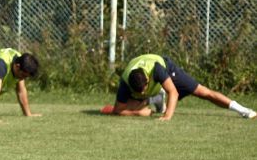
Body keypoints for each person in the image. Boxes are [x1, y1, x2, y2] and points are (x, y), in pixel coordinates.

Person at [101, 54, 256, 121]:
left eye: (144, 90)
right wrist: (140, 113)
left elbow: (173, 92)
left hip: (168, 69)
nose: (141, 93)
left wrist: (167, 116)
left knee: (203, 92)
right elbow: (118, 110)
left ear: (148, 80)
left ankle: (242, 110)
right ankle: (155, 98)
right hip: (148, 86)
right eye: (138, 92)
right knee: (130, 107)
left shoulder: (156, 69)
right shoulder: (125, 82)